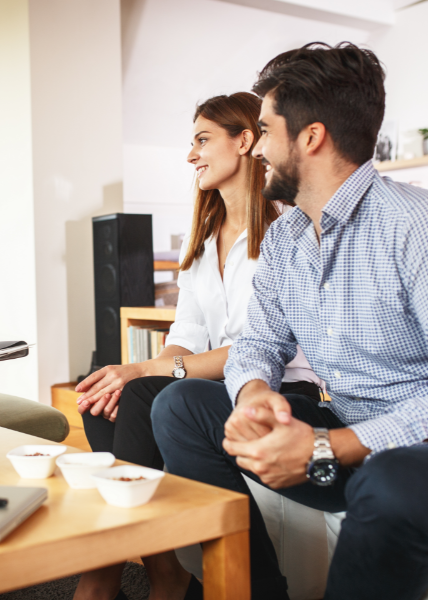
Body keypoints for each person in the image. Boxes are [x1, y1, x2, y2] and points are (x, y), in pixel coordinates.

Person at [150, 42, 428, 600]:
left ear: (311, 137)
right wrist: (253, 394)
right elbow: (259, 342)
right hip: (351, 433)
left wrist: (328, 448)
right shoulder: (284, 237)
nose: (257, 150)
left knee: (392, 479)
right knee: (179, 406)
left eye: (266, 131)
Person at [73, 93, 322, 600]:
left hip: (280, 388)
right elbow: (184, 336)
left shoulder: (288, 230)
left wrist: (147, 372)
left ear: (245, 140)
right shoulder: (205, 240)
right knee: (106, 403)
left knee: (146, 392)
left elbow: (264, 346)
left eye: (203, 140)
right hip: (215, 384)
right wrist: (138, 371)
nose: (191, 156)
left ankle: (104, 571)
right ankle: (164, 569)